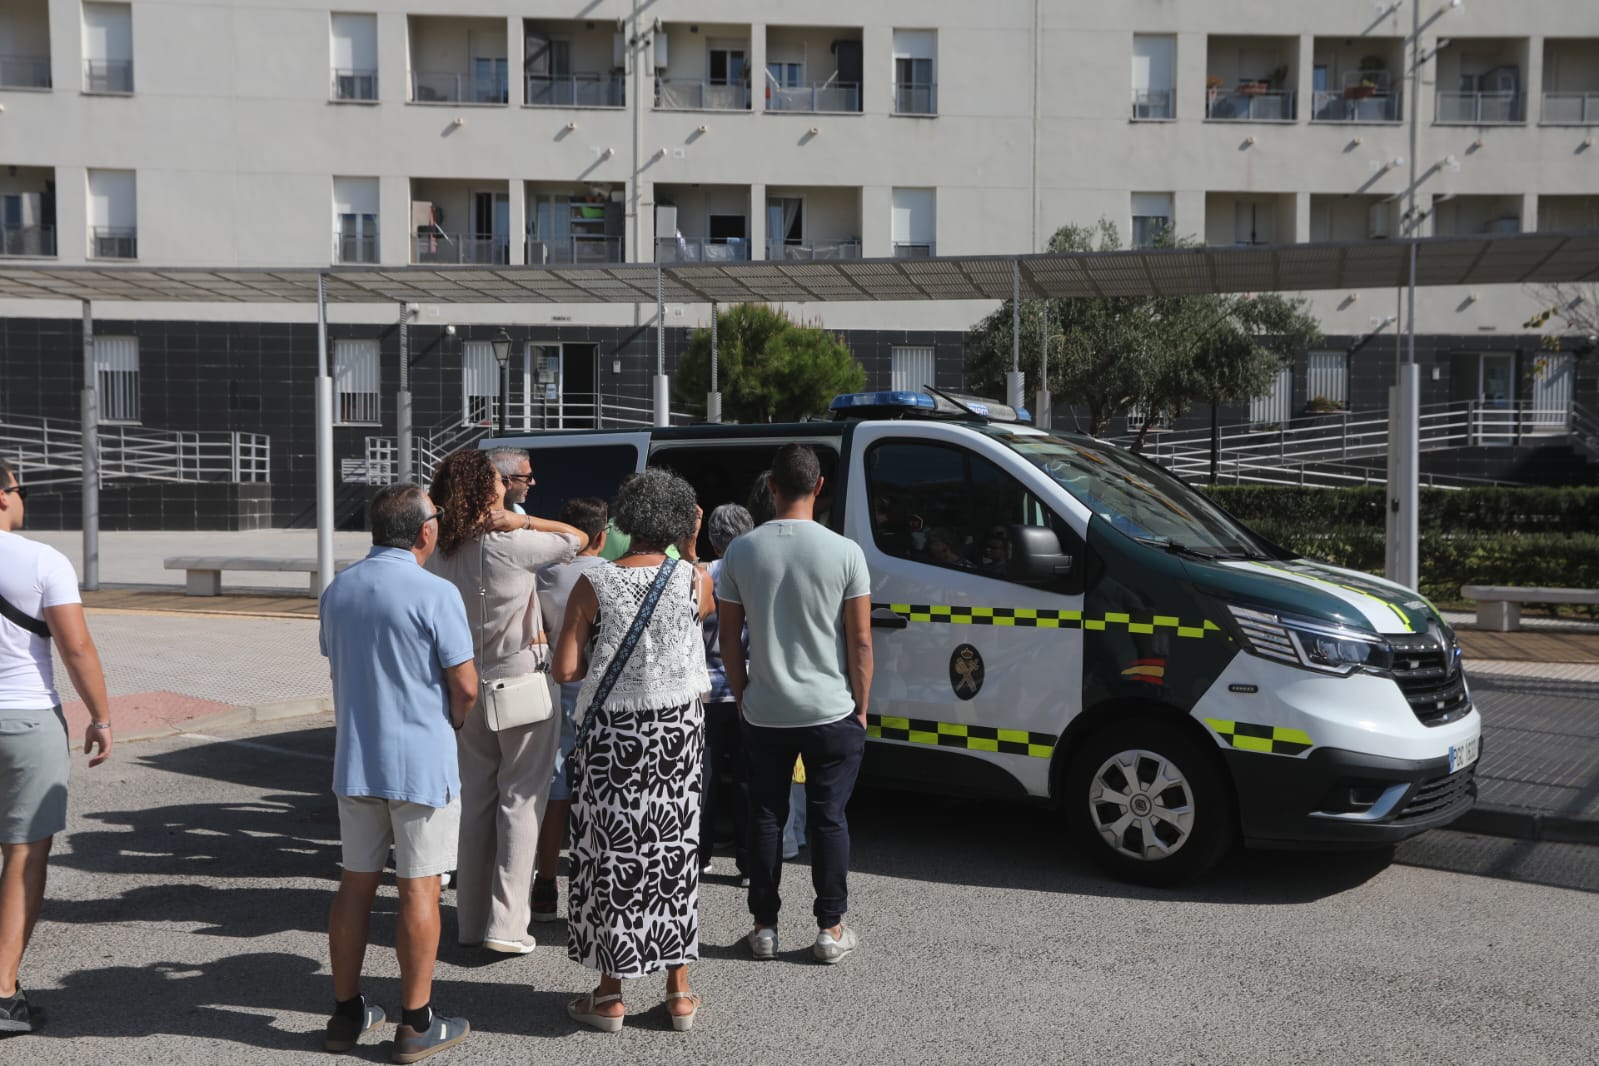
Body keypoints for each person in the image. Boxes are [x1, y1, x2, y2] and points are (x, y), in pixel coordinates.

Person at [319, 481, 476, 1062]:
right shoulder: (436, 592)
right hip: (420, 762)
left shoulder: (338, 589)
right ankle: (416, 1022)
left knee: (354, 883)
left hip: (356, 758)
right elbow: (465, 686)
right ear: (425, 531)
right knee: (420, 888)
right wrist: (455, 720)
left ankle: (345, 1012)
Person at [552, 468, 712, 1033]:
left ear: (626, 518)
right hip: (677, 734)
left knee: (612, 854)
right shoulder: (693, 579)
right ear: (677, 521)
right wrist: (690, 547)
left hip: (614, 738)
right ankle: (679, 992)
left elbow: (566, 669)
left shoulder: (594, 583)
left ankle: (610, 996)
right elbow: (700, 617)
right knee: (673, 851)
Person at [425, 449, 586, 956]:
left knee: (476, 801)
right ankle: (507, 923)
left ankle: (471, 922)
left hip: (464, 682)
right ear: (486, 488)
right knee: (521, 799)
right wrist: (526, 520)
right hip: (520, 680)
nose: (504, 485)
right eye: (497, 479)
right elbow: (577, 539)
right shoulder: (512, 542)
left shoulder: (441, 549)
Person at [718, 443, 873, 966]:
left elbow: (730, 639)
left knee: (766, 816)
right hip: (831, 707)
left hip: (765, 708)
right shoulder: (846, 552)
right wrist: (861, 705)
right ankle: (830, 928)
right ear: (820, 486)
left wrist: (743, 694)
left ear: (772, 486)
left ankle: (764, 927)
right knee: (830, 819)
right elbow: (860, 642)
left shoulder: (741, 552)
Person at [0, 461, 112, 1034]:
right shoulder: (43, 560)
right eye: (20, 488)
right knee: (23, 854)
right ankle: (2, 993)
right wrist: (101, 717)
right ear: (2, 497)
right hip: (26, 720)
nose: (23, 497)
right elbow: (76, 648)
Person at [532, 496, 610, 921]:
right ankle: (595, 888)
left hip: (552, 692)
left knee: (555, 793)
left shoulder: (542, 574)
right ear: (600, 536)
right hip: (602, 698)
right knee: (600, 798)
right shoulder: (611, 576)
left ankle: (545, 884)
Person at [699, 503, 753, 882]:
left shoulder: (702, 574)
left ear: (714, 541)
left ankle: (699, 854)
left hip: (707, 690)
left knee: (705, 775)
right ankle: (748, 864)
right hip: (749, 688)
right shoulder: (759, 574)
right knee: (749, 776)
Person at [490, 447, 533, 516]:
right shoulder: (479, 517)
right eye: (528, 477)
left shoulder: (519, 511)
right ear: (508, 480)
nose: (532, 482)